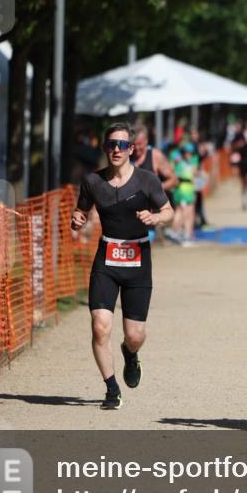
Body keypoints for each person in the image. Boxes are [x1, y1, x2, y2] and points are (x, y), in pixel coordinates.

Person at [71, 122, 173, 410]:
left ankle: (130, 353)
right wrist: (77, 220)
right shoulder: (93, 181)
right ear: (105, 148)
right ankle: (112, 389)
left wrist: (156, 218)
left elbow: (168, 211)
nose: (117, 149)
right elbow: (81, 211)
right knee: (100, 327)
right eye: (111, 144)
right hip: (106, 258)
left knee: (135, 335)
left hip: (138, 261)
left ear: (131, 149)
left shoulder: (147, 180)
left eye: (123, 145)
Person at [132, 124, 179, 244]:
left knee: (143, 246)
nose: (136, 148)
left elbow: (174, 180)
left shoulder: (155, 156)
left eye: (140, 144)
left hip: (149, 215)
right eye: (134, 144)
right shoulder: (128, 156)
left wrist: (156, 189)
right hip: (130, 213)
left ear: (146, 141)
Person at [170, 143, 200, 247]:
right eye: (187, 152)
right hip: (182, 190)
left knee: (188, 212)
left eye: (190, 153)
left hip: (187, 190)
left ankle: (186, 234)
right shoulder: (180, 162)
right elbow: (190, 174)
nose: (189, 154)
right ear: (183, 153)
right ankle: (175, 232)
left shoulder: (181, 160)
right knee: (183, 212)